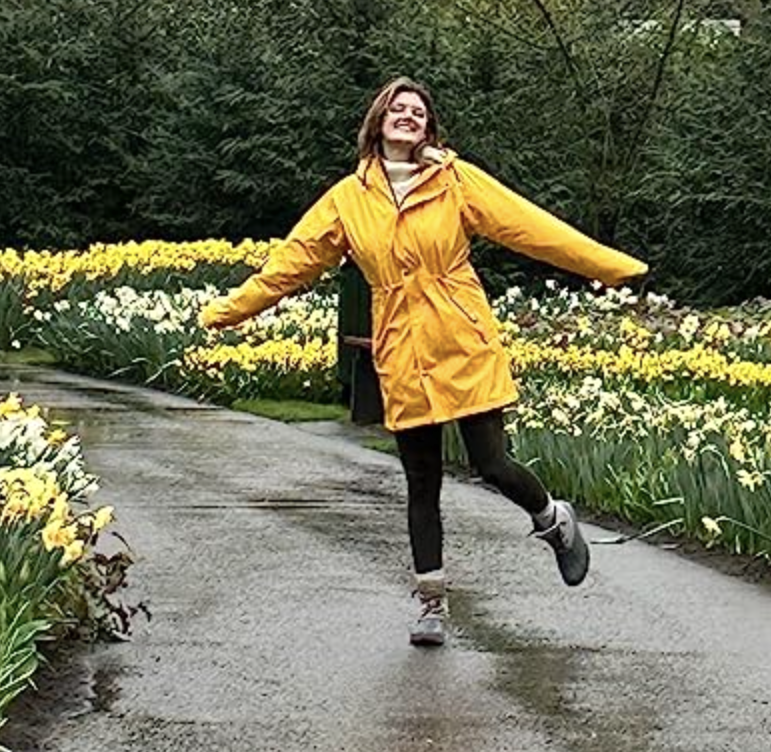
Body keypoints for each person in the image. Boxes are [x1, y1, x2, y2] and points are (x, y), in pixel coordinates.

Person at [199, 77, 648, 647]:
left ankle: (553, 519)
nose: (407, 115)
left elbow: (529, 227)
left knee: (491, 463)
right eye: (397, 108)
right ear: (378, 121)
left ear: (428, 127)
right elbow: (292, 263)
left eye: (417, 110)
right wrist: (231, 311)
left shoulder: (455, 181)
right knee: (421, 480)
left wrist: (607, 266)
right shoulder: (347, 199)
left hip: (461, 339)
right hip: (402, 349)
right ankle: (431, 604)